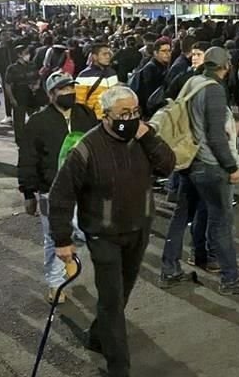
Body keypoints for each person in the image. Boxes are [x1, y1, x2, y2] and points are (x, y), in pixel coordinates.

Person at [49, 85, 175, 377]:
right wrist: (62, 240)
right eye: (123, 114)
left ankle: (96, 336)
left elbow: (168, 166)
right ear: (105, 116)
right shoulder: (87, 148)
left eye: (135, 112)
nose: (131, 119)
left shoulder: (143, 138)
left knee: (121, 295)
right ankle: (120, 367)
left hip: (138, 229)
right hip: (103, 235)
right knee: (112, 301)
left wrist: (149, 136)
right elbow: (61, 195)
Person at [158, 47, 239, 295]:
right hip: (210, 165)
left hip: (189, 161)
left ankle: (169, 269)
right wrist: (231, 166)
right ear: (226, 66)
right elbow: (216, 136)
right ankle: (230, 279)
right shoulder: (214, 90)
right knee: (221, 222)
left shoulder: (193, 81)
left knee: (181, 216)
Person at [18, 71, 98, 303]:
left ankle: (69, 255)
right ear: (51, 94)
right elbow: (28, 159)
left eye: (71, 88)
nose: (69, 93)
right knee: (54, 238)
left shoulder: (85, 114)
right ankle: (56, 284)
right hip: (50, 190)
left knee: (86, 232)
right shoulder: (38, 122)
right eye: (63, 90)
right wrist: (27, 192)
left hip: (84, 188)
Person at [4, 42, 42, 145]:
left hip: (32, 96)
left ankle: (35, 138)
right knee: (19, 122)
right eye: (26, 53)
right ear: (19, 55)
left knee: (35, 119)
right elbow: (7, 85)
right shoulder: (12, 68)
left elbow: (38, 77)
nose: (28, 55)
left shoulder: (32, 65)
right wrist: (12, 99)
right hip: (19, 95)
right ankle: (20, 141)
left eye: (28, 53)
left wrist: (36, 85)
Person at [75, 43, 120, 119]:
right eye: (104, 54)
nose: (108, 57)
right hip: (94, 119)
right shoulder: (84, 75)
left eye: (109, 54)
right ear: (95, 57)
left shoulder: (112, 73)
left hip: (111, 118)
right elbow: (79, 103)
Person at [132, 37, 171, 112]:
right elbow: (149, 94)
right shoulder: (150, 69)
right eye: (163, 51)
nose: (167, 54)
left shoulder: (163, 66)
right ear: (155, 53)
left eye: (169, 51)